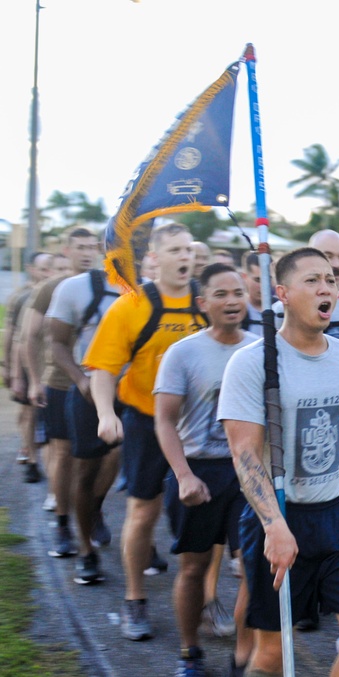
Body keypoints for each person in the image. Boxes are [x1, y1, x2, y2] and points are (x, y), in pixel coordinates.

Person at [219, 246, 339, 677]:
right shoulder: (251, 363)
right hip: (280, 517)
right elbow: (244, 454)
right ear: (283, 294)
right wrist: (274, 526)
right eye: (312, 280)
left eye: (331, 279)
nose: (325, 288)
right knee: (273, 657)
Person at [84, 222, 207, 640]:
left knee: (209, 510)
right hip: (144, 420)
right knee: (144, 510)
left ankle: (207, 598)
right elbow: (103, 369)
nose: (184, 257)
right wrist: (105, 413)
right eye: (174, 249)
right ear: (153, 258)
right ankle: (135, 599)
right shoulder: (132, 305)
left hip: (200, 424)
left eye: (188, 249)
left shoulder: (208, 301)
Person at [153, 263, 256, 677]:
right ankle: (189, 652)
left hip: (247, 473)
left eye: (238, 293)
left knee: (254, 566)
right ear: (203, 303)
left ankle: (244, 655)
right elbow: (164, 420)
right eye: (221, 294)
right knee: (193, 567)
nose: (232, 301)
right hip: (199, 470)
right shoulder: (184, 352)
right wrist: (183, 475)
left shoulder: (260, 347)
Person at [23, 228, 101, 559]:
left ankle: (91, 511)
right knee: (64, 455)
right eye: (79, 247)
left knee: (105, 459)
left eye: (91, 247)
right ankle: (63, 522)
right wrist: (32, 380)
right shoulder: (51, 287)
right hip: (60, 381)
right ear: (67, 251)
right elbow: (30, 335)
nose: (86, 253)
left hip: (101, 386)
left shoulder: (111, 285)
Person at [47, 252, 123, 585]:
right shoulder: (75, 288)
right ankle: (85, 549)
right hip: (88, 392)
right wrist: (81, 381)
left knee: (117, 459)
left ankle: (93, 511)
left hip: (133, 395)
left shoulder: (150, 289)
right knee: (86, 468)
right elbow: (58, 343)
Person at [5, 251, 54, 480]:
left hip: (52, 366)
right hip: (28, 363)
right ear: (32, 269)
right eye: (44, 268)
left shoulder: (59, 291)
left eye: (51, 268)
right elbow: (16, 336)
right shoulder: (23, 297)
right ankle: (32, 458)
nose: (48, 273)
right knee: (29, 413)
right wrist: (12, 371)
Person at [240, 251, 266, 336]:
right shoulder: (236, 309)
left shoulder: (281, 309)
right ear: (244, 277)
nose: (263, 286)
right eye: (257, 280)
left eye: (268, 280)